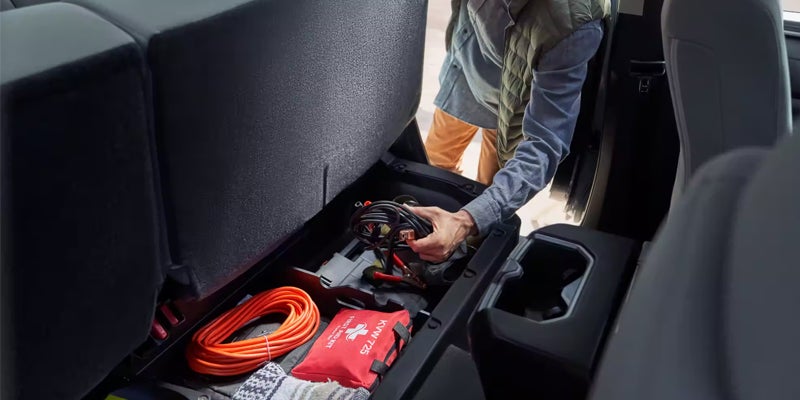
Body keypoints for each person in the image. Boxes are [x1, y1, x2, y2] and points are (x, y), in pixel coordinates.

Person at [409, 0, 608, 262]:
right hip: (462, 74)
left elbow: (544, 143)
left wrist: (466, 220)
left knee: (484, 197)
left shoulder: (572, 24)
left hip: (508, 107)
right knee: (434, 166)